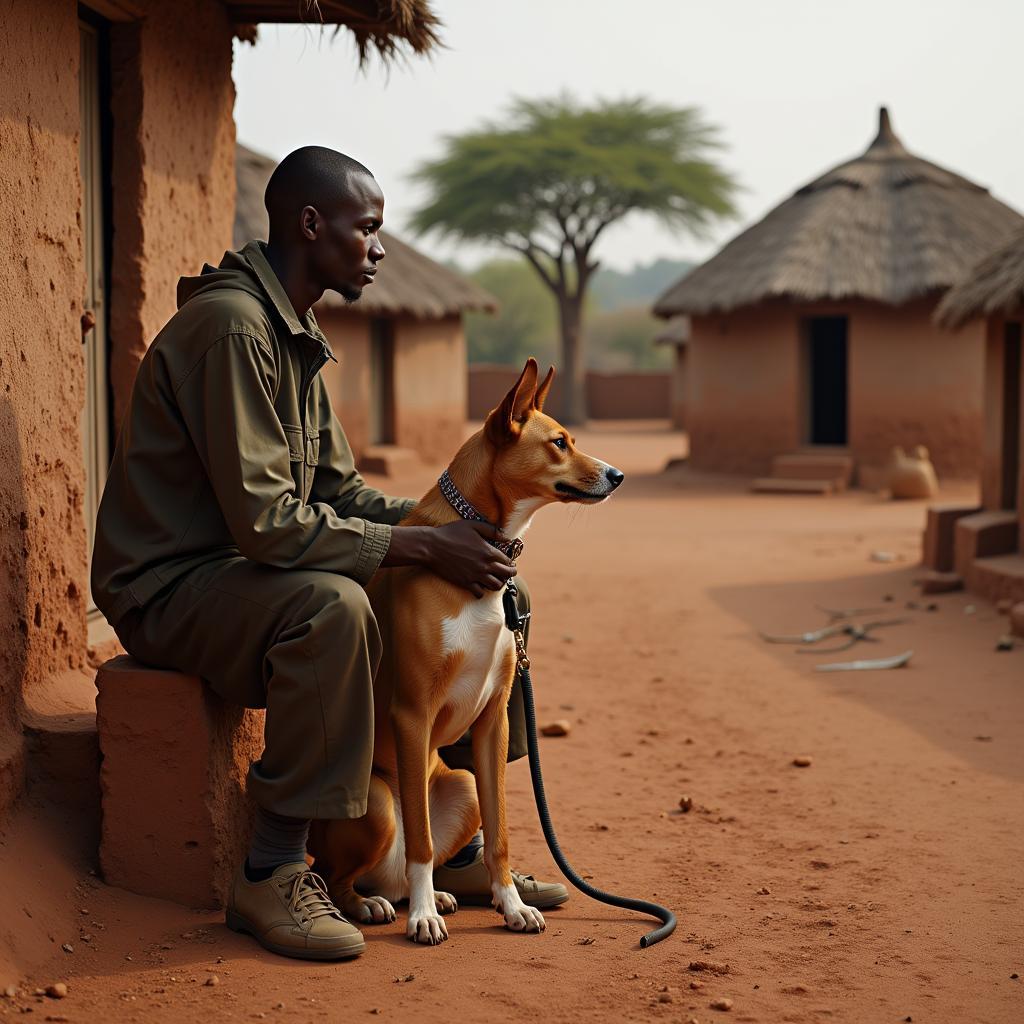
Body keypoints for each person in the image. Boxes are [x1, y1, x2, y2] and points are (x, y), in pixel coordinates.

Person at [91, 146, 566, 961]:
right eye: (367, 228)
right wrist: (422, 543)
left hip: (238, 574)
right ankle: (275, 868)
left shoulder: (293, 333)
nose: (379, 248)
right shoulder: (234, 330)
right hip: (169, 588)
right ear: (312, 225)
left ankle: (458, 849)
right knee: (333, 606)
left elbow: (341, 494)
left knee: (490, 598)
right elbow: (271, 525)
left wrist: (466, 539)